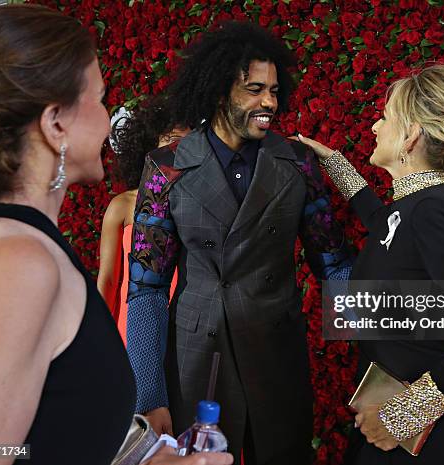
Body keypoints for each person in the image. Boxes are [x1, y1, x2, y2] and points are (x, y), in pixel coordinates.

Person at [0, 5, 232, 465]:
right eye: (101, 98)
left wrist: (142, 457)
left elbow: (45, 433)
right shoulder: (15, 260)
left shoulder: (24, 246)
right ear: (55, 122)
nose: (110, 121)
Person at [127, 21, 351, 465]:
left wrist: (389, 355)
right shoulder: (166, 167)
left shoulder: (297, 163)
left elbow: (335, 265)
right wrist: (149, 392)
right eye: (254, 89)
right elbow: (147, 287)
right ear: (217, 92)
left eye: (272, 89)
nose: (270, 101)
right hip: (195, 359)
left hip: (277, 357)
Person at [296, 65, 444, 465]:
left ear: (410, 136)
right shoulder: (414, 207)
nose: (375, 126)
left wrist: (402, 418)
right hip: (392, 436)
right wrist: (334, 162)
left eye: (385, 117)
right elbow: (383, 224)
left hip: (429, 444)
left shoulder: (436, 210)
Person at [97, 97, 189, 342]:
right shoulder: (123, 205)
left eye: (186, 142)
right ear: (150, 146)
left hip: (186, 330)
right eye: (170, 139)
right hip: (132, 327)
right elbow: (107, 279)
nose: (177, 148)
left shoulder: (198, 205)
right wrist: (98, 339)